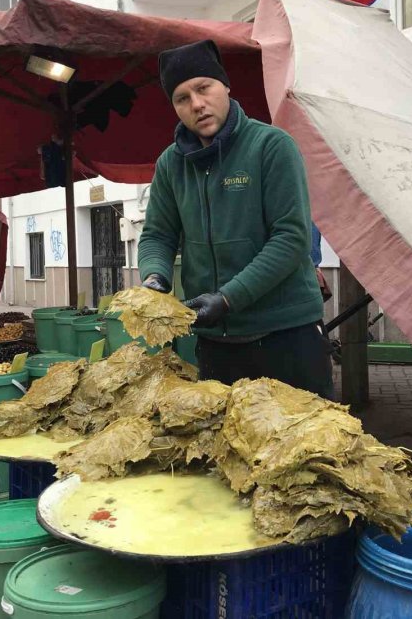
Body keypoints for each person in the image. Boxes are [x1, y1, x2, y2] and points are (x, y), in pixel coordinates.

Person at [138, 39, 334, 399]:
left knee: (302, 448)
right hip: (216, 344)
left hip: (286, 335)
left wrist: (228, 299)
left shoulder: (272, 146)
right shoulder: (170, 164)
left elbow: (291, 239)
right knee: (227, 450)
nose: (197, 104)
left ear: (225, 85)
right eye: (182, 98)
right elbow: (158, 235)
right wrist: (154, 276)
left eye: (203, 88)